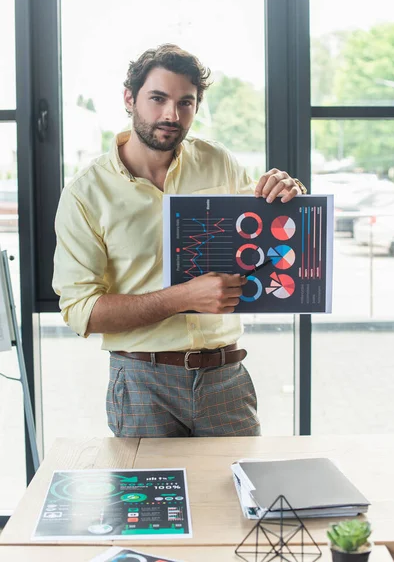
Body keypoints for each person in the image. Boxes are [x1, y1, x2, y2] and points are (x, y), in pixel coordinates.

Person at [53, 44, 306, 438]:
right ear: (128, 99)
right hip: (141, 383)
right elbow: (80, 311)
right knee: (153, 501)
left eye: (185, 102)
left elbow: (265, 234)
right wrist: (183, 297)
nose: (172, 114)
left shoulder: (218, 161)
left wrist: (289, 193)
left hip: (227, 378)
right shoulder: (86, 194)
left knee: (235, 498)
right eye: (158, 98)